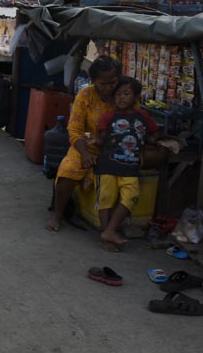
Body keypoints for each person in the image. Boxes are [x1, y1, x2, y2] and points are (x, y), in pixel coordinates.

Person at [46, 55, 122, 234]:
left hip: (115, 147)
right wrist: (86, 154)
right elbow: (74, 130)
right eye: (103, 84)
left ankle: (109, 227)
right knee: (68, 169)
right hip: (86, 146)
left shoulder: (124, 94)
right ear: (94, 80)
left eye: (112, 83)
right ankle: (58, 215)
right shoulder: (85, 95)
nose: (108, 88)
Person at [93, 77, 161, 248]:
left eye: (126, 93)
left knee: (131, 196)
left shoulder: (143, 116)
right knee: (106, 198)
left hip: (131, 165)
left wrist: (149, 142)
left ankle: (110, 231)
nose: (121, 97)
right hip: (108, 164)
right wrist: (92, 142)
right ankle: (107, 235)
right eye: (117, 94)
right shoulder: (108, 117)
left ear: (136, 97)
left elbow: (154, 133)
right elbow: (101, 139)